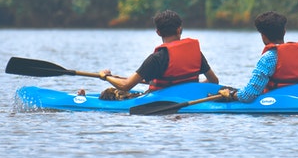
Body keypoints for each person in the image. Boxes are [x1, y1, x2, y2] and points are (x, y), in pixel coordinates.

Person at [80, 10, 219, 99]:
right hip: (191, 98)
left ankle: (82, 99)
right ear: (179, 29)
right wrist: (190, 87)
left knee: (108, 93)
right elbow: (214, 81)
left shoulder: (157, 58)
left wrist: (106, 76)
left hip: (159, 100)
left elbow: (125, 86)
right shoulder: (195, 53)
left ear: (158, 32)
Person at [218, 11, 298, 103]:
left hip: (277, 101)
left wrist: (231, 94)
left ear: (263, 36)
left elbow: (248, 96)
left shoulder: (268, 58)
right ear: (284, 32)